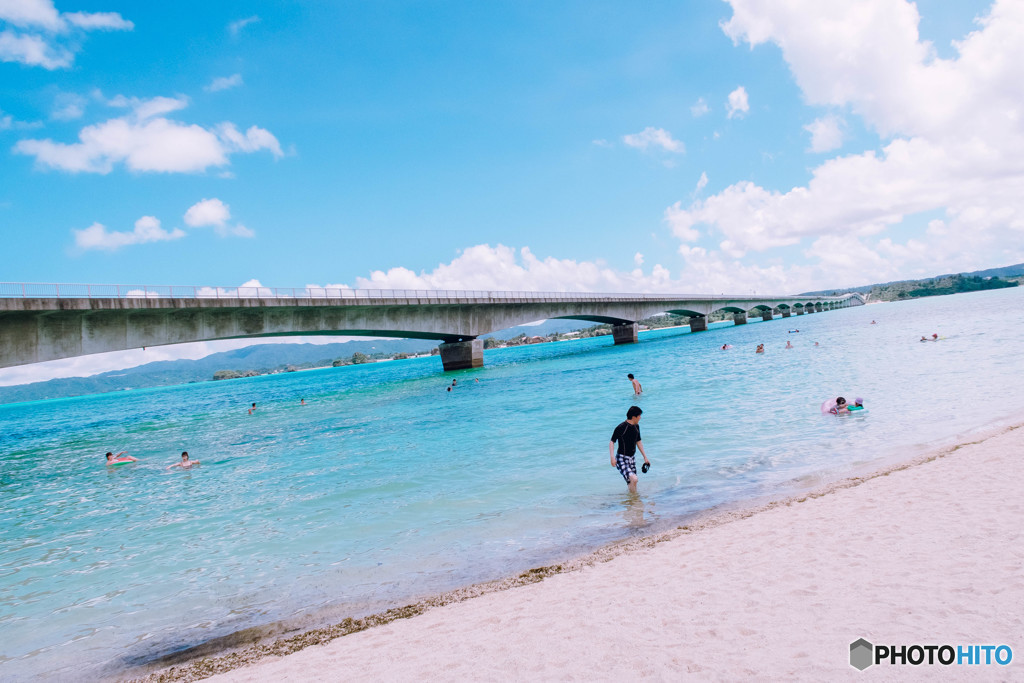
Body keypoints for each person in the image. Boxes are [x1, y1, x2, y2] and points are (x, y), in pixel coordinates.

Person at [609, 406, 650, 494]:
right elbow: (612, 442)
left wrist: (645, 457)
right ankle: (633, 500)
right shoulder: (621, 427)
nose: (640, 417)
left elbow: (638, 442)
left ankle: (632, 502)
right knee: (634, 479)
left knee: (632, 482)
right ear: (634, 417)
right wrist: (612, 458)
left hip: (632, 458)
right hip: (621, 458)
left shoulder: (636, 427)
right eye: (639, 415)